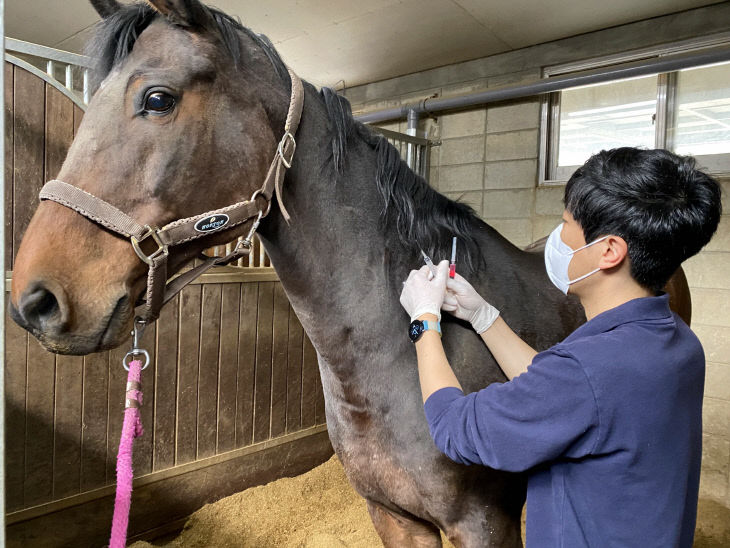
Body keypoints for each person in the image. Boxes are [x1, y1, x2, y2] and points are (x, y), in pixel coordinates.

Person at [399, 147, 722, 547]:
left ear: (608, 251)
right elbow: (562, 389)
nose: (558, 235)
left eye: (566, 222)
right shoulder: (675, 340)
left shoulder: (586, 373)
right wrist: (484, 316)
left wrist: (424, 320)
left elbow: (454, 427)